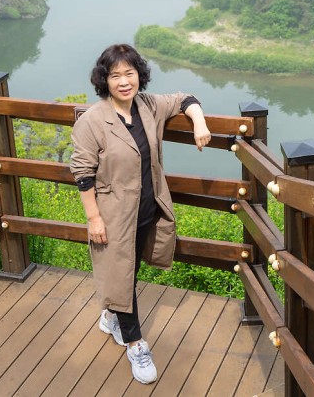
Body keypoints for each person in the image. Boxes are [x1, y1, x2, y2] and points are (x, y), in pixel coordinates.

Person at [70, 43, 211, 384]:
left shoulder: (148, 106)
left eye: (129, 74)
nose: (123, 82)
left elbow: (185, 99)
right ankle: (135, 343)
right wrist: (94, 219)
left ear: (139, 76)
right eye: (115, 75)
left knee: (127, 269)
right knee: (122, 270)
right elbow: (82, 172)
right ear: (104, 80)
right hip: (115, 214)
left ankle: (111, 316)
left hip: (147, 208)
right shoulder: (93, 120)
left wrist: (199, 123)